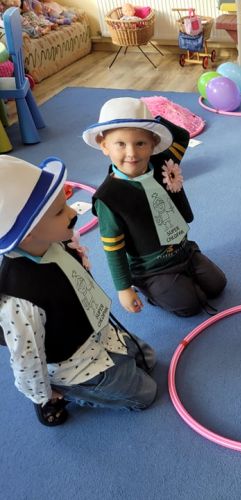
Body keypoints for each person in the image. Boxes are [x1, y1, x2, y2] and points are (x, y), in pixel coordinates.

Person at [0, 155, 157, 426]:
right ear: (27, 233)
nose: (73, 213)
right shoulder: (19, 301)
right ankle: (67, 393)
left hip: (97, 333)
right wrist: (43, 394)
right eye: (59, 212)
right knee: (146, 394)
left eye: (66, 204)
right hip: (73, 365)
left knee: (149, 359)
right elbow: (26, 361)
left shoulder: (56, 242)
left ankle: (107, 371)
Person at [83, 97, 226, 317]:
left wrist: (154, 121)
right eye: (120, 144)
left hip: (184, 251)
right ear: (104, 146)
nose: (132, 153)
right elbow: (114, 249)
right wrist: (124, 288)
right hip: (152, 268)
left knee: (217, 285)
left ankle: (183, 275)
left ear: (153, 143)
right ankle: (150, 287)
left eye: (140, 143)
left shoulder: (163, 161)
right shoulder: (108, 198)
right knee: (190, 305)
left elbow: (181, 136)